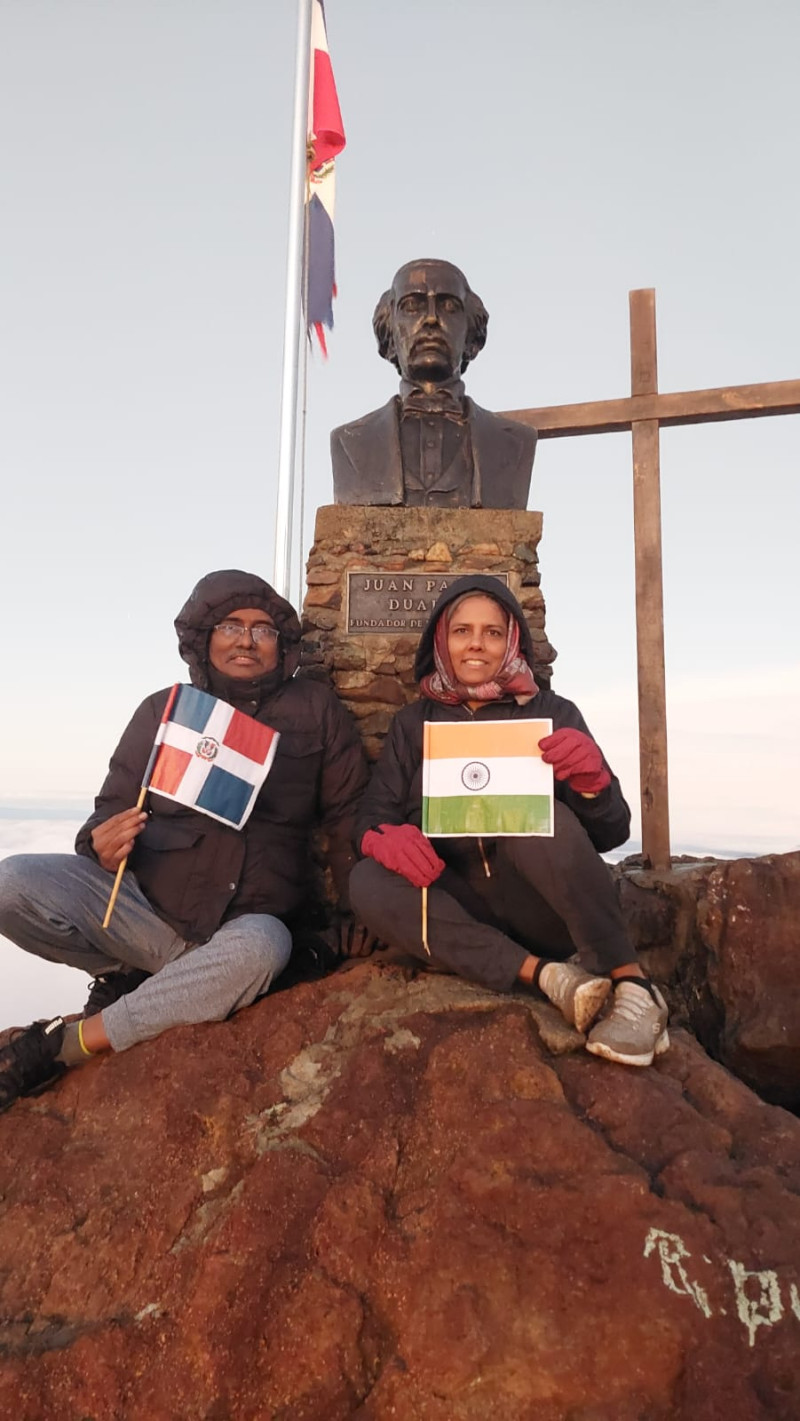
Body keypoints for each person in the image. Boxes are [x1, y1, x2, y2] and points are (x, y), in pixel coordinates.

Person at [0, 569, 369, 1113]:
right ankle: (133, 975)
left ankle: (69, 1044)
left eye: (263, 630)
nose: (247, 640)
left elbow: (348, 816)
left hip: (243, 925)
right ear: (203, 637)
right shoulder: (165, 710)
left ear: (282, 644)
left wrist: (359, 912)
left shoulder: (316, 711)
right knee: (9, 883)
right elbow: (110, 809)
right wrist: (101, 844)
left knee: (265, 949)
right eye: (230, 626)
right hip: (146, 913)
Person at [349, 575, 669, 1068]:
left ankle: (633, 986)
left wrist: (593, 784)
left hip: (542, 909)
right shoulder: (413, 724)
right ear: (441, 640)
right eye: (462, 631)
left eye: (493, 632)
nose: (476, 643)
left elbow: (613, 832)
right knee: (366, 880)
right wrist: (381, 837)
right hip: (458, 913)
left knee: (541, 819)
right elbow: (375, 812)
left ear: (513, 641)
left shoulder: (553, 712)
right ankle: (550, 978)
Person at [330, 259, 537, 508]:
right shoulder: (352, 440)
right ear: (390, 336)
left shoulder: (515, 442)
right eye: (411, 306)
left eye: (449, 306)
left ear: (471, 337)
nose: (431, 318)